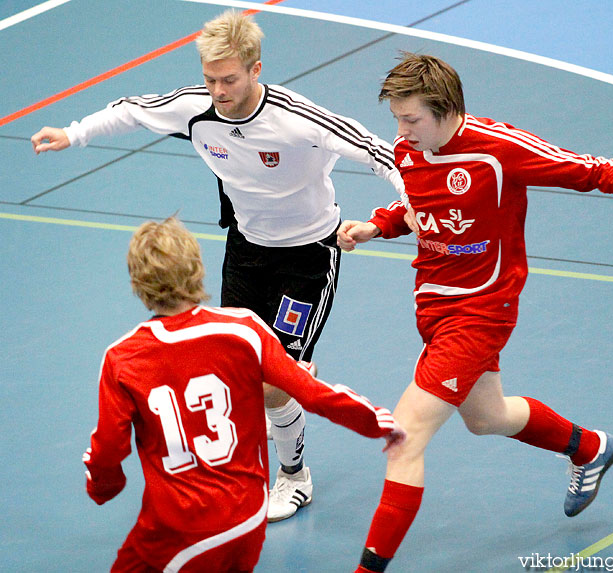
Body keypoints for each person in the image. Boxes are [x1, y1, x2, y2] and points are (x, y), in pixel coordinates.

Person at [31, 9, 405, 522]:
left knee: (276, 382)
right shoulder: (196, 108)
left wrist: (415, 207)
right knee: (239, 371)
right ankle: (274, 416)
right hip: (246, 252)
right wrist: (74, 134)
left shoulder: (298, 118)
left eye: (229, 79)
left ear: (256, 69)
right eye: (210, 79)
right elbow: (133, 110)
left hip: (308, 257)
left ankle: (295, 477)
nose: (218, 91)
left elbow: (382, 154)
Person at [337, 52, 613, 573]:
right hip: (432, 303)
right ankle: (590, 447)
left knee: (403, 435)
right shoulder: (408, 152)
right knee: (486, 417)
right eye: (397, 119)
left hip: (481, 309)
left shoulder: (498, 149)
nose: (401, 132)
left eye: (411, 119)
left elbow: (577, 166)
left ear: (447, 110)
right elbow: (417, 207)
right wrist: (377, 226)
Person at [82, 216, 406, 572]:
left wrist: (102, 487)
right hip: (249, 516)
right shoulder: (244, 330)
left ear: (137, 283)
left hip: (180, 526)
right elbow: (313, 393)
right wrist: (377, 421)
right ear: (197, 269)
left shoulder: (123, 357)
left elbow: (109, 453)